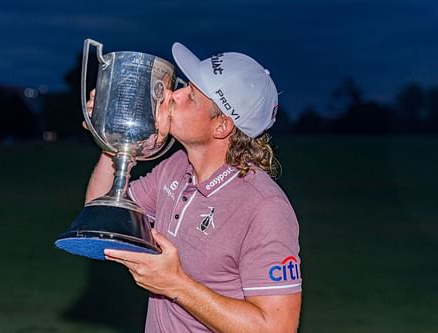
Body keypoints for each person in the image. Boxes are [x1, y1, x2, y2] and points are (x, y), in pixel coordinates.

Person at [85, 42, 302, 333]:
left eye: (191, 96)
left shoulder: (264, 207)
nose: (173, 95)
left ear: (222, 127)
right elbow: (101, 214)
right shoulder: (176, 168)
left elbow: (277, 328)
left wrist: (176, 284)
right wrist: (114, 137)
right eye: (183, 86)